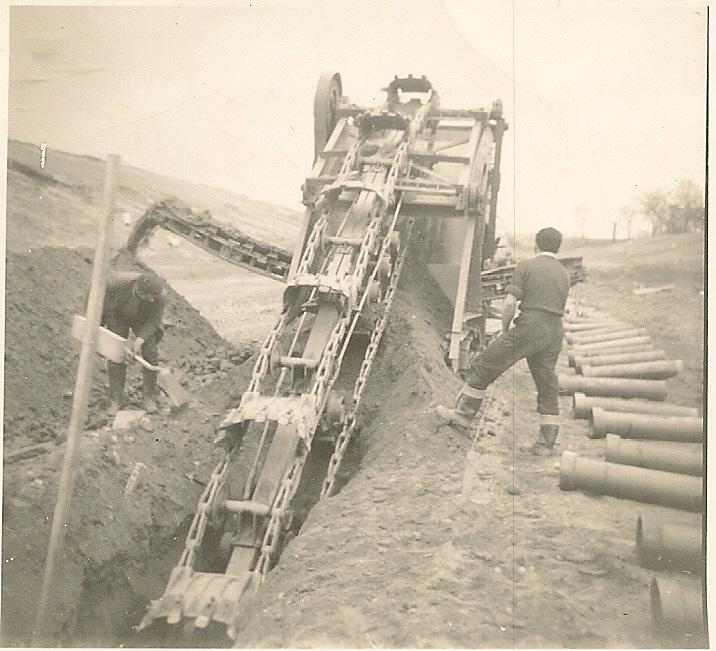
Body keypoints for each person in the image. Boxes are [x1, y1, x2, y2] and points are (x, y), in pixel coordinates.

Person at [437, 227, 570, 455]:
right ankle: (546, 443)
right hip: (555, 330)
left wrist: (506, 329)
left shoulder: (526, 266)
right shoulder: (564, 273)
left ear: (537, 245)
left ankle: (464, 414)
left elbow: (509, 303)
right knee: (547, 383)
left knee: (485, 363)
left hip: (531, 326)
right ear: (558, 247)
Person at [102, 271, 166, 415]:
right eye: (147, 297)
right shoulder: (117, 283)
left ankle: (148, 398)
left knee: (151, 354)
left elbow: (154, 321)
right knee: (116, 354)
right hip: (117, 315)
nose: (151, 300)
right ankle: (116, 400)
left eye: (152, 298)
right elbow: (105, 305)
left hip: (143, 320)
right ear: (137, 289)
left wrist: (139, 340)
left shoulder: (160, 295)